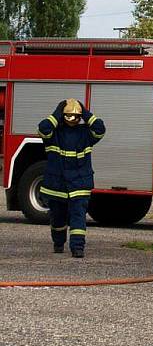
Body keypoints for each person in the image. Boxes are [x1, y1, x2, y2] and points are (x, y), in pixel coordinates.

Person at [37, 99, 106, 258]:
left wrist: (85, 110)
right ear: (63, 115)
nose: (73, 119)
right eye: (69, 115)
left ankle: (77, 248)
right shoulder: (54, 133)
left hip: (79, 182)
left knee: (78, 216)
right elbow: (43, 128)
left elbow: (100, 128)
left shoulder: (85, 133)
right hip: (58, 183)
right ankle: (59, 243)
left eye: (77, 116)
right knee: (58, 217)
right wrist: (58, 111)